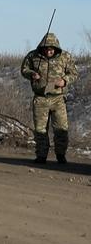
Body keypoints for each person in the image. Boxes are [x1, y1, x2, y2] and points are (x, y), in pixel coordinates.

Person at [21, 33, 78, 164]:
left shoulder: (65, 57)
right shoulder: (33, 56)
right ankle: (41, 156)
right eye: (47, 48)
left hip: (58, 98)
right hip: (40, 98)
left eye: (52, 49)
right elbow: (24, 69)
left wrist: (65, 80)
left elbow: (74, 73)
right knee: (40, 130)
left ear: (56, 48)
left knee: (61, 129)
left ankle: (61, 155)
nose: (49, 51)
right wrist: (31, 74)